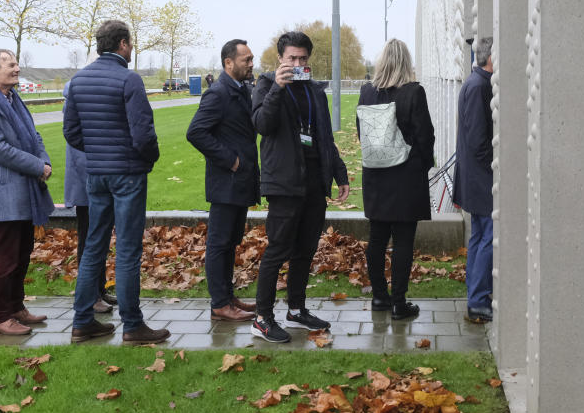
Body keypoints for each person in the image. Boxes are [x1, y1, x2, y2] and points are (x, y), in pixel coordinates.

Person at [64, 20, 169, 346]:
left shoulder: (78, 81)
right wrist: (148, 159)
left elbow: (72, 131)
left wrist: (97, 151)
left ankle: (83, 322)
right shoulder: (129, 79)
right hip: (127, 174)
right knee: (127, 249)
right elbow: (143, 134)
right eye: (131, 43)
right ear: (123, 44)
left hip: (96, 174)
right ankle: (133, 325)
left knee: (93, 246)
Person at [251, 31, 349, 343]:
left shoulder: (315, 92)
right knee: (278, 249)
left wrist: (339, 173)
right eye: (292, 58)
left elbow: (324, 137)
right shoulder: (266, 85)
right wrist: (278, 89)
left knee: (306, 249)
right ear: (280, 58)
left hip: (313, 180)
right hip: (283, 180)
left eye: (303, 59)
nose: (297, 63)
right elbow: (262, 125)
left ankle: (296, 309)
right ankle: (262, 317)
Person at [0, 49, 55, 335]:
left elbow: (34, 135)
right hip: (4, 190)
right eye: (11, 64)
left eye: (16, 63)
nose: (17, 69)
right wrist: (36, 166)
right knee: (6, 255)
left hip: (24, 188)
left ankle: (16, 307)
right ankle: (0, 316)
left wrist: (44, 160)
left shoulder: (14, 99)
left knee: (22, 251)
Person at [357, 39, 436, 320]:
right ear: (406, 62)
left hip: (376, 176)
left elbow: (361, 133)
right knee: (403, 240)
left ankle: (380, 296)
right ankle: (399, 303)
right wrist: (424, 163)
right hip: (406, 176)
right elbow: (425, 136)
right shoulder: (414, 92)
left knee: (377, 239)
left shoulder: (367, 93)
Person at [186, 39, 258, 322]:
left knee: (230, 242)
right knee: (219, 243)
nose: (251, 64)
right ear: (229, 63)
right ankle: (219, 304)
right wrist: (231, 160)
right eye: (246, 60)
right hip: (226, 181)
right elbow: (196, 132)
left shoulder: (240, 90)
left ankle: (228, 296)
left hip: (239, 181)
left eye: (251, 59)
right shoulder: (218, 93)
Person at [452, 37, 495, 324]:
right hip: (482, 179)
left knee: (480, 237)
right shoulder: (480, 86)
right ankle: (478, 301)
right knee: (486, 239)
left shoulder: (473, 82)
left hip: (473, 177)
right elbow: (480, 141)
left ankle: (476, 296)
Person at [62, 81, 113, 315]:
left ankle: (98, 290)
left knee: (98, 238)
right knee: (90, 239)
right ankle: (90, 296)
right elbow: (79, 148)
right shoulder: (79, 101)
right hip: (88, 182)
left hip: (94, 179)